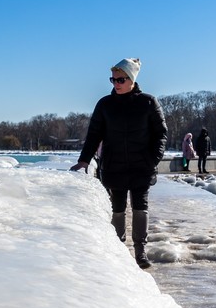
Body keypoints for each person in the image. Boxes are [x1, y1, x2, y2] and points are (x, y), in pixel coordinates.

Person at [71, 58, 168, 269]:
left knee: (140, 207)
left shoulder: (148, 102)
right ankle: (119, 251)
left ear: (132, 79)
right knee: (117, 208)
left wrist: (153, 159)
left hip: (141, 166)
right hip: (114, 166)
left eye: (121, 79)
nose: (116, 83)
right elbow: (94, 135)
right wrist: (84, 160)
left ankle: (141, 252)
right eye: (113, 79)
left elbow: (161, 134)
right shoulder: (105, 104)